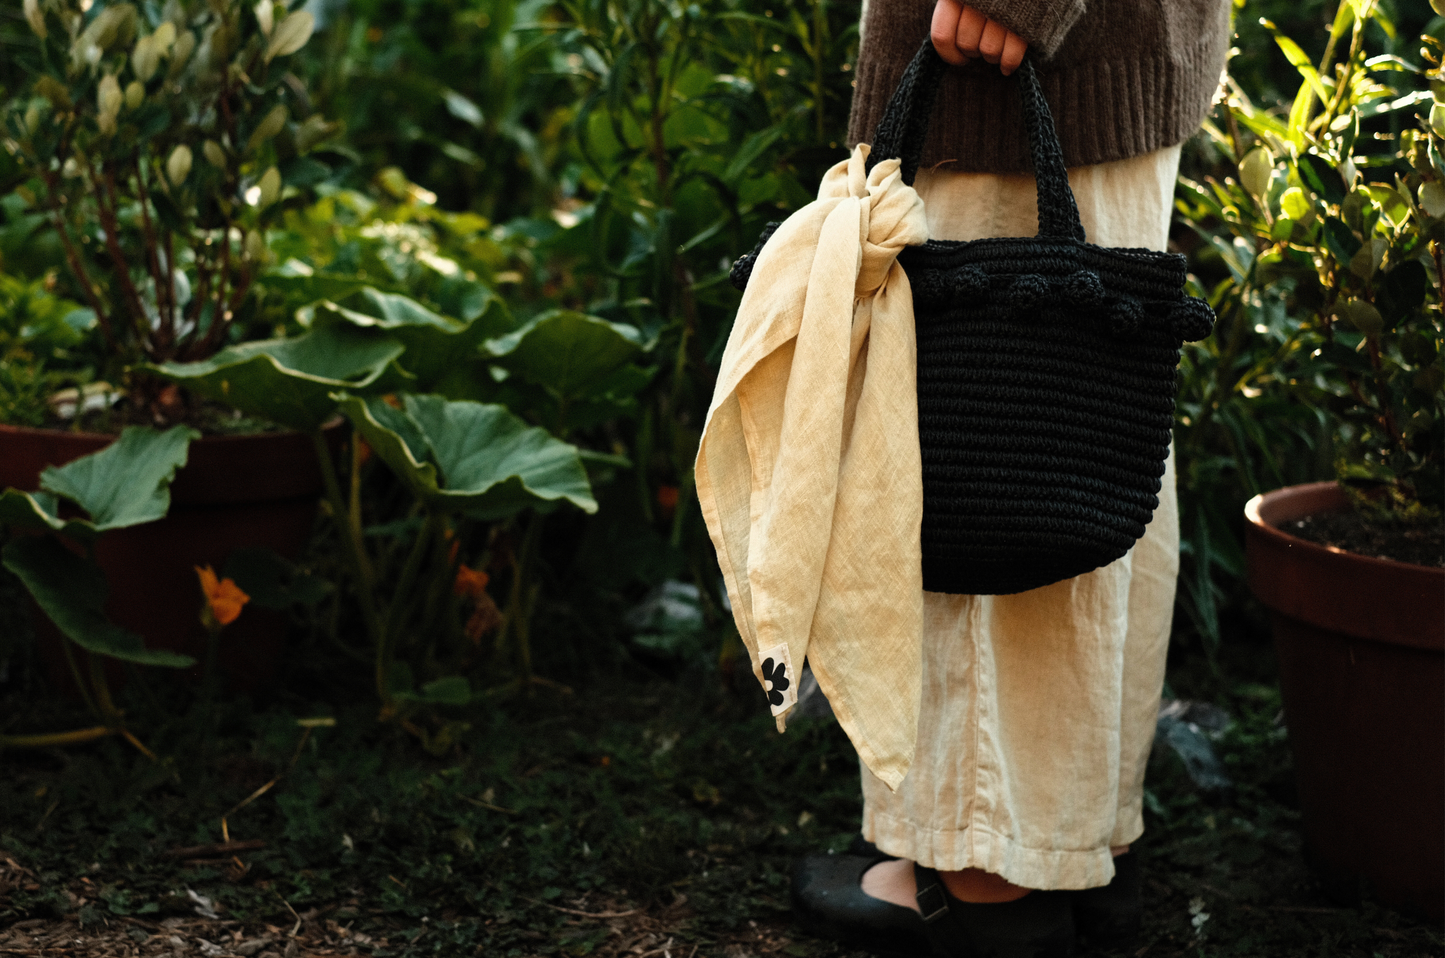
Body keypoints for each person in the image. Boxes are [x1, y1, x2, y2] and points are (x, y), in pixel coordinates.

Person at [787, 1, 1232, 954]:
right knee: (1089, 432)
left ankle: (990, 882)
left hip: (1017, 42)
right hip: (1106, 43)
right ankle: (1076, 848)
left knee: (985, 454)